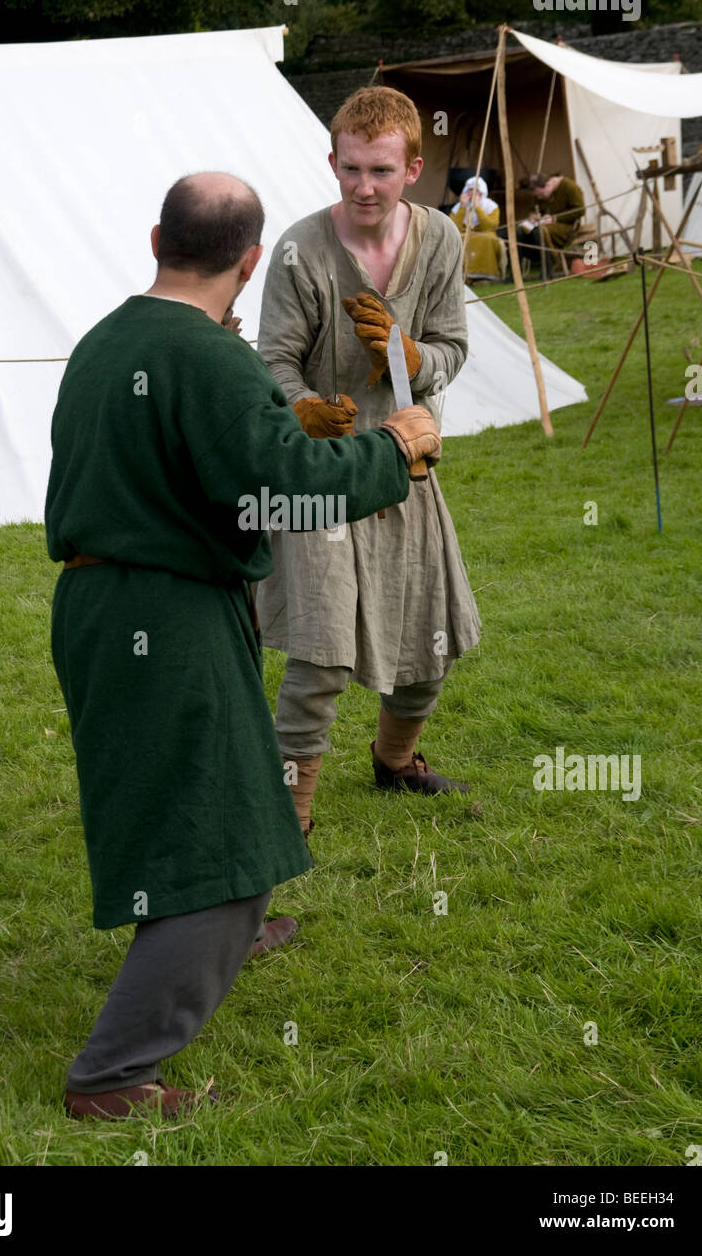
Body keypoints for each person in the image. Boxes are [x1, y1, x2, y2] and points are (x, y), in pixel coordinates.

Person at [45, 170, 441, 1121]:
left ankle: (229, 928)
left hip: (107, 603)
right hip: (163, 614)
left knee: (210, 795)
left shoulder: (107, 340)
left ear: (154, 240)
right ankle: (112, 1075)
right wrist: (395, 446)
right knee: (205, 827)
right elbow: (290, 488)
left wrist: (278, 423)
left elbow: (206, 462)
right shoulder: (207, 355)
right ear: (253, 259)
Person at [257, 87, 482, 840]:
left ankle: (395, 762)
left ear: (412, 168)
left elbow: (451, 347)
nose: (362, 186)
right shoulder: (298, 249)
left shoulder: (443, 242)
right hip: (320, 478)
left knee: (429, 646)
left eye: (380, 171)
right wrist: (303, 410)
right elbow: (273, 362)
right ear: (331, 160)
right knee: (320, 657)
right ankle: (288, 816)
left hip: (405, 463)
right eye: (349, 168)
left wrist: (411, 354)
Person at [517, 171, 585, 273]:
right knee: (519, 230)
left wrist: (555, 219)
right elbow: (534, 208)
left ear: (548, 185)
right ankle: (517, 272)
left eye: (540, 194)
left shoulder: (569, 187)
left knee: (539, 231)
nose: (539, 197)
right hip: (545, 224)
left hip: (567, 227)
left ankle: (548, 267)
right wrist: (533, 216)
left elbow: (580, 210)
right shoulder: (541, 191)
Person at [449, 175, 505, 280]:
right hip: (466, 233)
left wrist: (478, 207)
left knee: (488, 239)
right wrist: (462, 207)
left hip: (485, 233)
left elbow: (490, 226)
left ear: (482, 192)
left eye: (476, 191)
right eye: (470, 190)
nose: (472, 193)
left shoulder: (491, 206)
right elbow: (452, 227)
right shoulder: (458, 206)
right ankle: (462, 275)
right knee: (458, 239)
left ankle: (487, 276)